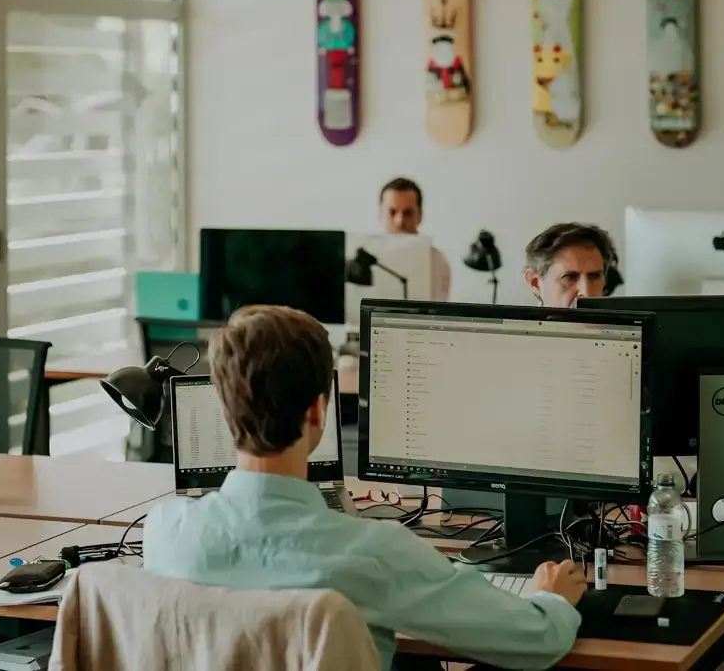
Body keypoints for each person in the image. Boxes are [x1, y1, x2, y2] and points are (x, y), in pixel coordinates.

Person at [144, 305, 585, 671]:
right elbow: (539, 640)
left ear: (224, 411)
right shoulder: (373, 555)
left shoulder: (165, 532)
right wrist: (552, 600)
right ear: (318, 411)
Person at [377, 177, 451, 301]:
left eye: (408, 213)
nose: (399, 221)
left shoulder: (437, 262)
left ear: (420, 215)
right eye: (392, 212)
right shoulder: (362, 260)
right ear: (381, 214)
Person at [523, 222, 619, 308]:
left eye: (595, 276)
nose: (586, 293)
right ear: (535, 283)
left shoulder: (621, 327)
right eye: (569, 277)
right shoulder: (515, 328)